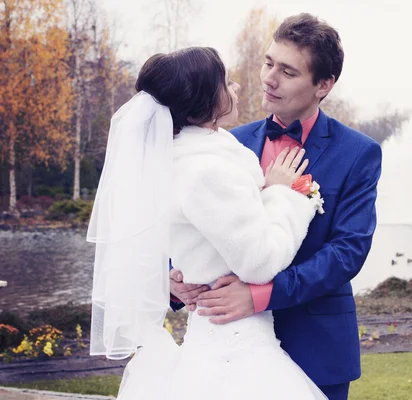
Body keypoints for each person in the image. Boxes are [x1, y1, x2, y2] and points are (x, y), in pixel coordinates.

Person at [87, 46, 327, 399]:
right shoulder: (207, 169)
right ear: (205, 99)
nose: (238, 87)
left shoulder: (175, 157)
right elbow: (259, 262)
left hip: (211, 334)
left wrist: (170, 277)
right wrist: (284, 195)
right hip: (235, 347)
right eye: (226, 81)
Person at [170, 13, 382, 400]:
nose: (269, 78)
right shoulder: (226, 141)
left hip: (317, 348)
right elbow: (190, 221)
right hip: (229, 352)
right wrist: (175, 279)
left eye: (287, 71)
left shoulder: (358, 153)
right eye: (268, 63)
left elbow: (348, 251)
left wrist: (260, 294)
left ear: (324, 84)